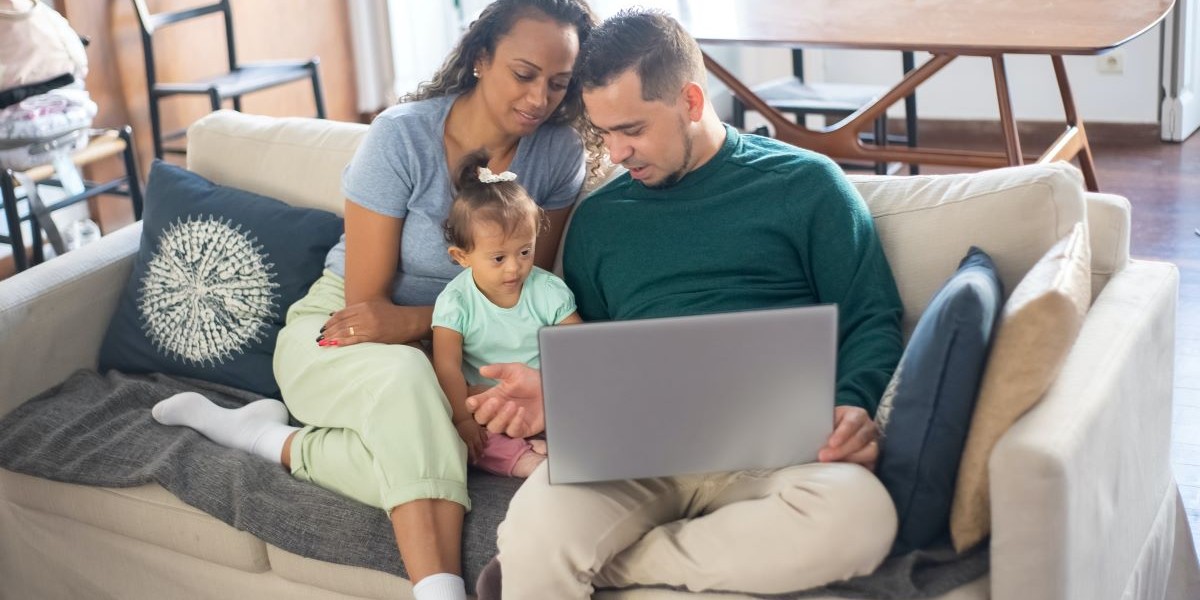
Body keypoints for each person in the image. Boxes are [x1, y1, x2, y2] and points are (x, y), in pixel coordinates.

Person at [150, 2, 598, 600]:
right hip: (338, 330)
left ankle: (262, 438)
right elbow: (368, 312)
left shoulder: (558, 153)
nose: (540, 98)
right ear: (481, 58)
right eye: (524, 74)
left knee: (433, 439)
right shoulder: (403, 137)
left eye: (558, 83)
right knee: (416, 394)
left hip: (452, 345)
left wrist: (431, 328)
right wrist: (426, 327)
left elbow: (522, 298)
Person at [465, 9, 905, 599]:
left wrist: (854, 404)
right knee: (534, 530)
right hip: (639, 452)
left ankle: (625, 563)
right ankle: (563, 559)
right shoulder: (599, 221)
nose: (616, 153)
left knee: (861, 517)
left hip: (780, 453)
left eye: (632, 130)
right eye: (603, 134)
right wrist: (556, 395)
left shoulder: (807, 186)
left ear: (691, 102)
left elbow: (871, 315)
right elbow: (599, 352)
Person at [431, 149, 581, 478]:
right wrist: (462, 419)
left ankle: (554, 444)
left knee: (585, 413)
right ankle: (527, 461)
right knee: (477, 439)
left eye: (525, 252)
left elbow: (579, 349)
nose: (515, 267)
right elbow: (447, 367)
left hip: (544, 399)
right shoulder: (455, 302)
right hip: (490, 404)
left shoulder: (548, 291)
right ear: (461, 256)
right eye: (498, 258)